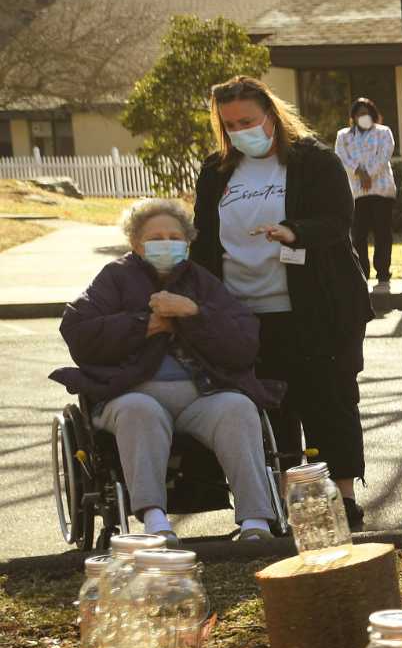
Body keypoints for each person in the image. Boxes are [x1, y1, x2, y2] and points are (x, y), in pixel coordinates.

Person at [193, 75, 370, 528]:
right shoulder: (216, 172)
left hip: (317, 310)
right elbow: (205, 242)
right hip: (246, 316)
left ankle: (344, 502)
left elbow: (338, 220)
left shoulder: (313, 161)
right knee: (273, 414)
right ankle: (290, 508)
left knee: (329, 404)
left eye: (248, 120)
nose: (239, 130)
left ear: (271, 115)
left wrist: (295, 231)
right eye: (229, 124)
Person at [53, 198, 283, 541]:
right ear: (136, 243)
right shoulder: (114, 278)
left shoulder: (200, 282)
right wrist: (146, 324)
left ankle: (256, 522)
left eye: (175, 237)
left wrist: (193, 313)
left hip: (202, 393)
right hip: (131, 391)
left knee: (238, 408)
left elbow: (244, 341)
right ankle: (155, 521)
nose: (167, 243)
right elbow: (78, 331)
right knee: (139, 411)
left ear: (187, 244)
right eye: (156, 236)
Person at [336, 98, 398, 290]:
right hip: (356, 193)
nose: (364, 116)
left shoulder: (383, 132)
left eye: (367, 113)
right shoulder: (343, 136)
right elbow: (341, 156)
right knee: (358, 235)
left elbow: (385, 155)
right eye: (359, 113)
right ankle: (362, 272)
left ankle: (383, 273)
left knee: (382, 234)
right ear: (353, 116)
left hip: (381, 191)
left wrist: (369, 173)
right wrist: (359, 172)